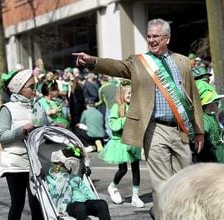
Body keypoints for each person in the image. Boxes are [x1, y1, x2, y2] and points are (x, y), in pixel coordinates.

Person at [73, 18, 204, 219]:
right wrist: (92, 61)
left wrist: (199, 130)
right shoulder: (139, 62)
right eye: (149, 36)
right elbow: (116, 66)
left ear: (167, 39)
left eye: (156, 36)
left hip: (180, 128)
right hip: (154, 128)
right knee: (161, 181)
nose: (151, 40)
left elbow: (192, 97)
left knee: (184, 178)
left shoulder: (183, 62)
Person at [0, 69, 43, 220]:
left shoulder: (37, 106)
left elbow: (45, 128)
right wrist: (22, 130)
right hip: (15, 164)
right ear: (20, 88)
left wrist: (56, 126)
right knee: (18, 204)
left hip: (35, 162)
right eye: (31, 86)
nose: (35, 89)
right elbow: (2, 136)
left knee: (38, 203)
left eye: (36, 85)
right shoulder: (7, 108)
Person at [98, 80, 144, 208]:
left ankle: (135, 196)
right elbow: (112, 124)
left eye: (132, 93)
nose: (131, 95)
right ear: (121, 94)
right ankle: (113, 186)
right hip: (120, 143)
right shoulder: (116, 107)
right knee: (123, 169)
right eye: (128, 93)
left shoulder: (135, 107)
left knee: (136, 169)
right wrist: (125, 120)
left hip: (133, 141)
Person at [46, 145, 111, 220]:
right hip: (70, 205)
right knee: (80, 207)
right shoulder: (51, 178)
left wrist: (94, 200)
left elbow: (86, 190)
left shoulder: (76, 178)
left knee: (102, 203)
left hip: (85, 202)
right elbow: (56, 192)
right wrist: (63, 177)